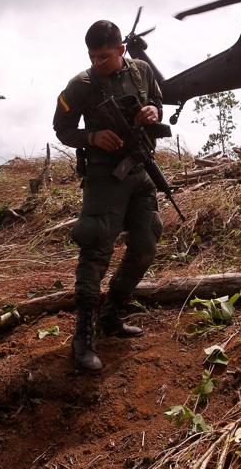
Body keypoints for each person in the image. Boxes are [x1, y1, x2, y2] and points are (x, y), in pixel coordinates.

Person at [53, 20, 164, 371]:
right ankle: (83, 336)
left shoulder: (142, 71)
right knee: (96, 249)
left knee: (146, 244)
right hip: (104, 176)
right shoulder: (80, 85)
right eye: (92, 56)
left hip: (139, 169)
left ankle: (112, 315)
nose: (97, 62)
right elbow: (62, 129)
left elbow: (158, 101)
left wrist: (153, 112)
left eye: (104, 55)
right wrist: (93, 137)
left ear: (121, 50)